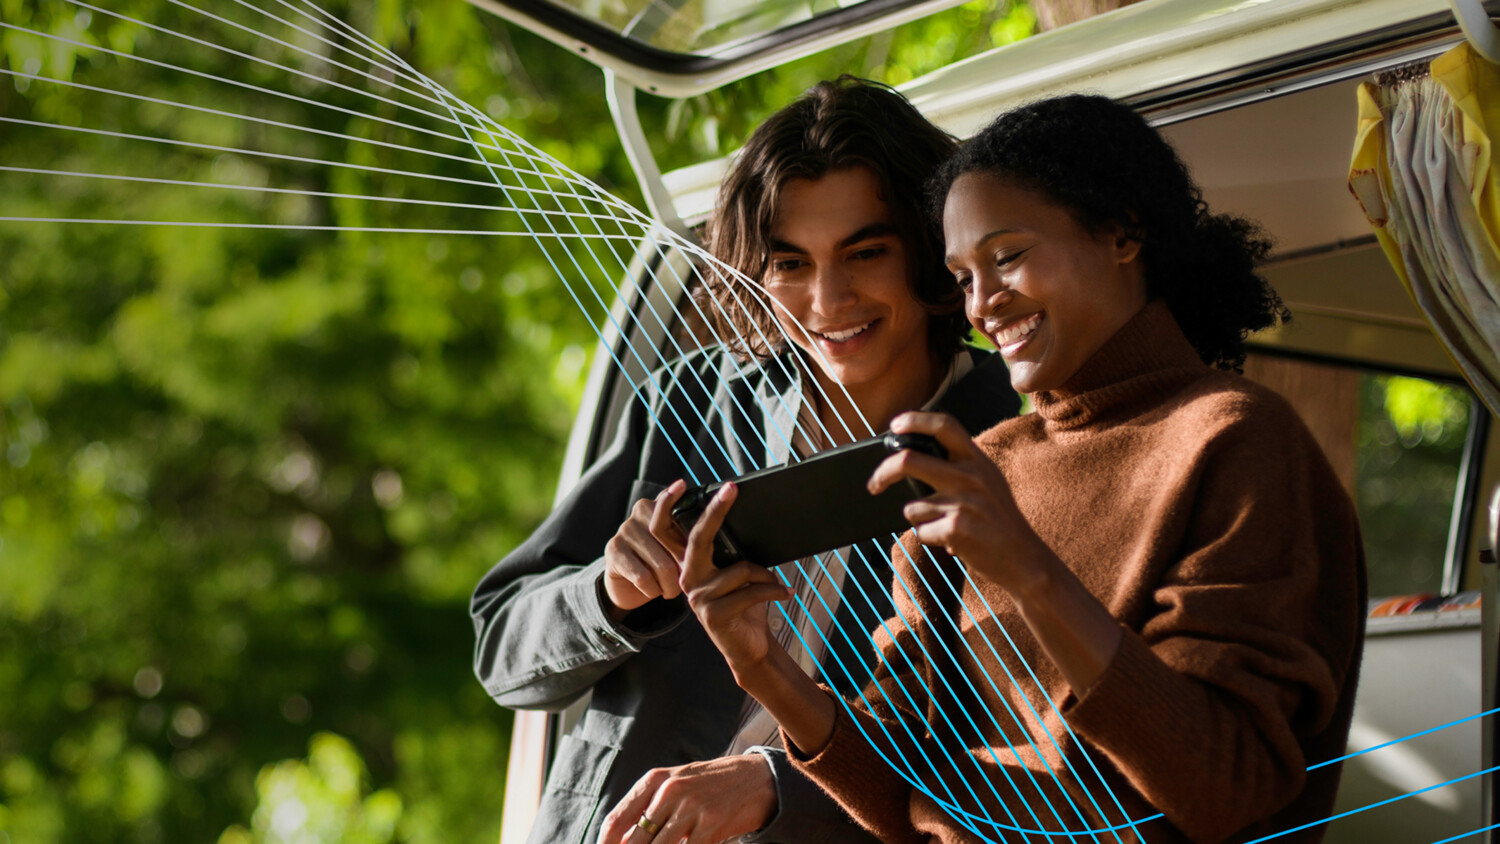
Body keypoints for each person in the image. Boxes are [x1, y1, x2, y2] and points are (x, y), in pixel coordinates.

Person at [671, 93, 1366, 844]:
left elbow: (1227, 787)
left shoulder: (1233, 439)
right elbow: (905, 795)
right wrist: (766, 669)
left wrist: (1028, 568)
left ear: (1122, 233)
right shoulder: (985, 464)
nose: (983, 306)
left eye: (1006, 258)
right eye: (963, 276)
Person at [470, 77, 1021, 844]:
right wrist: (609, 595)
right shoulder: (691, 402)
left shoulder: (1012, 434)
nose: (827, 300)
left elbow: (1008, 741)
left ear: (931, 248)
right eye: (789, 263)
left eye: (864, 252)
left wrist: (776, 783)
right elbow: (501, 652)